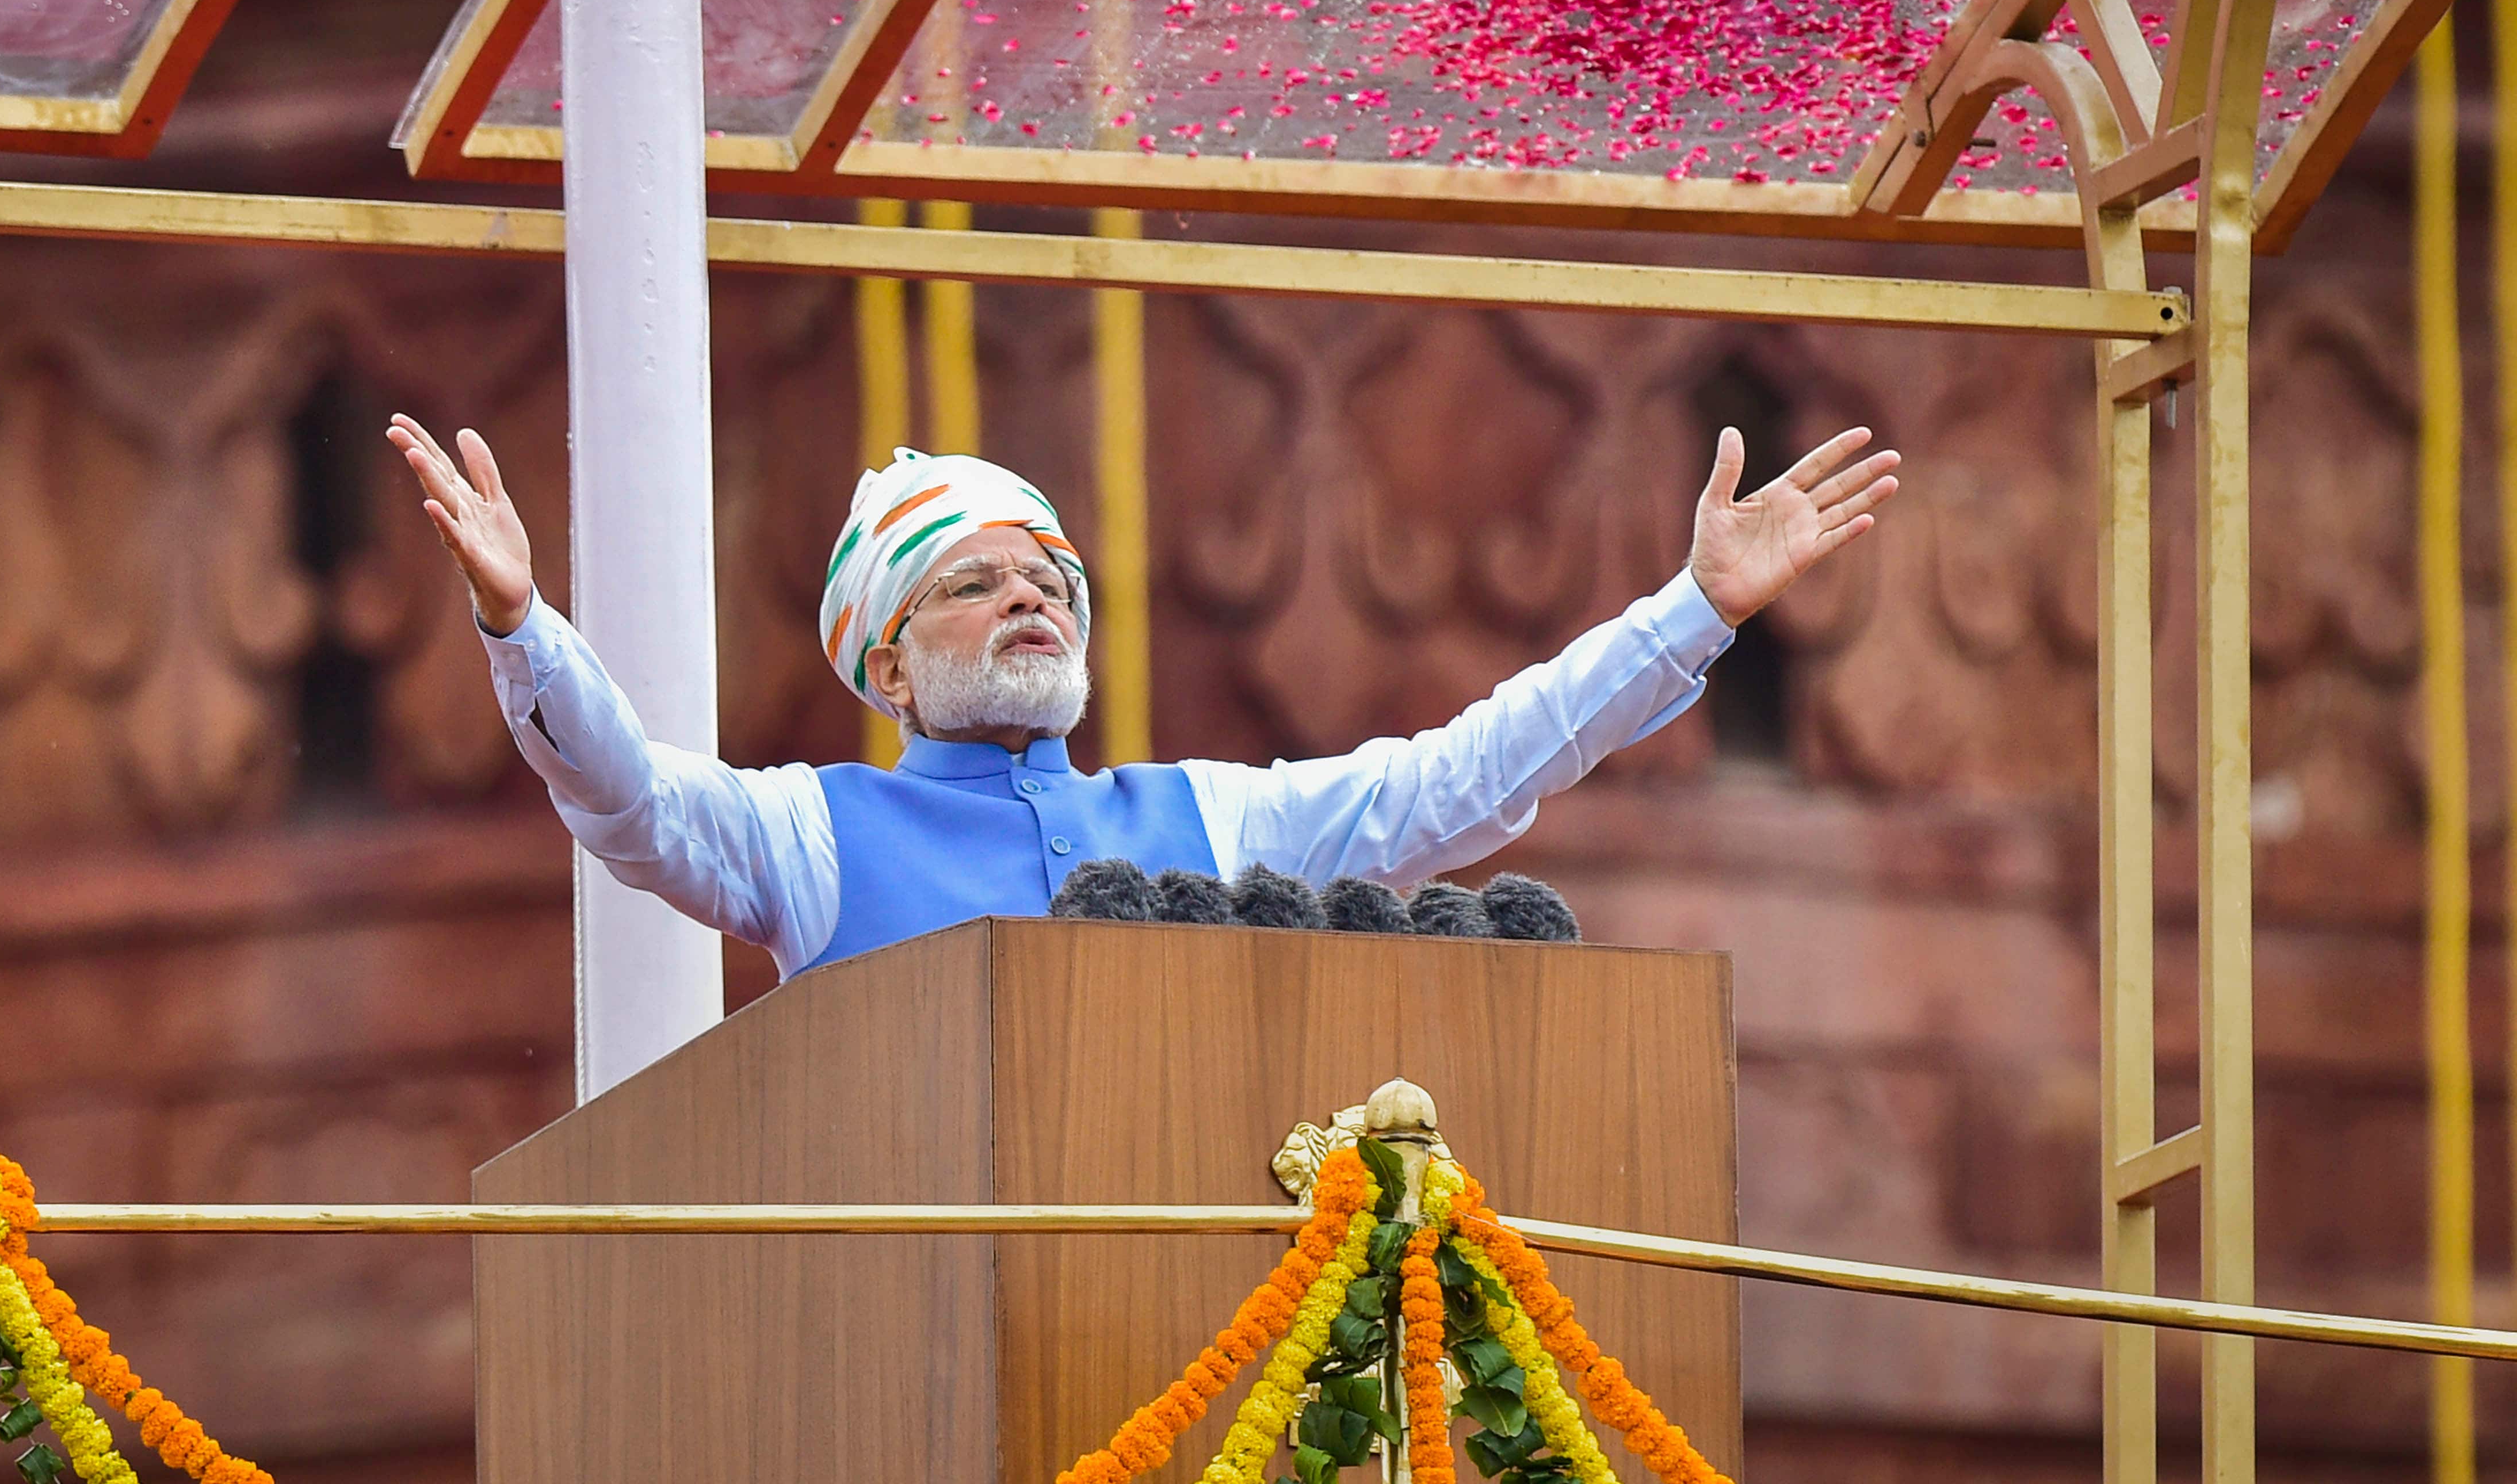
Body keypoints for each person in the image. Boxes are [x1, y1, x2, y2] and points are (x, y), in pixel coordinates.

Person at [385, 415, 1898, 979]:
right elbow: (632, 802)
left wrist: (1694, 609)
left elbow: (1469, 776)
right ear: (892, 662)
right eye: (975, 584)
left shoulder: (1208, 818)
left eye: (1048, 578)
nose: (1031, 599)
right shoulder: (812, 837)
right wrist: (520, 621)